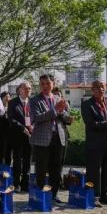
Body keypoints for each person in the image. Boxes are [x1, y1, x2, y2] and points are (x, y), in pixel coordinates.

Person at [29, 74, 73, 204]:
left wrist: (68, 118)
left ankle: (54, 194)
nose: (45, 86)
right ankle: (41, 195)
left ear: (53, 84)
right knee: (41, 168)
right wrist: (55, 110)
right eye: (42, 84)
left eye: (48, 83)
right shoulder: (34, 100)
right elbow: (36, 118)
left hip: (58, 137)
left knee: (56, 168)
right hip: (42, 139)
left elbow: (64, 115)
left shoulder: (58, 98)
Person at [7, 82, 33, 192]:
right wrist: (22, 128)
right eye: (25, 88)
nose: (27, 90)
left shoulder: (32, 102)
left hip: (30, 136)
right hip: (18, 135)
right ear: (20, 90)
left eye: (29, 88)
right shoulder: (13, 103)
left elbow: (36, 116)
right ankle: (16, 183)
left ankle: (25, 184)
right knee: (17, 161)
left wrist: (33, 126)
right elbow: (11, 119)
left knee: (28, 161)